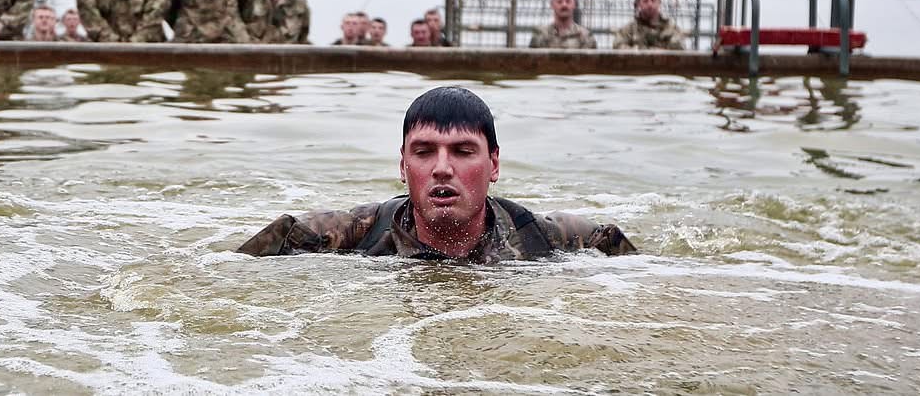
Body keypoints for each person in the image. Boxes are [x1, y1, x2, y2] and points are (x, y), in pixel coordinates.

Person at [237, 86, 637, 262]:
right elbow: (223, 275)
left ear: (494, 164)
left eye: (464, 152)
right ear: (402, 165)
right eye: (424, 152)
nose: (442, 169)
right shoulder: (344, 235)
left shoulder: (557, 239)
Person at [613, 0, 688, 50]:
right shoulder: (629, 29)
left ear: (659, 2)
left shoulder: (671, 28)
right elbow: (617, 46)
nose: (650, 4)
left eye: (653, 0)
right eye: (645, 1)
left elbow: (679, 48)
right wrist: (641, 52)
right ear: (639, 4)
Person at [529, 0, 597, 49]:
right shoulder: (541, 35)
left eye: (568, 1)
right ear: (552, 5)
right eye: (559, 1)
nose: (564, 5)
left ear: (574, 4)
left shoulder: (586, 37)